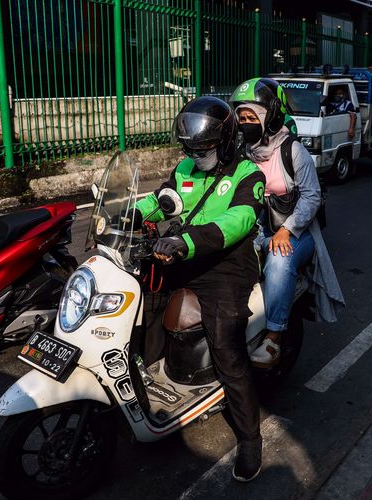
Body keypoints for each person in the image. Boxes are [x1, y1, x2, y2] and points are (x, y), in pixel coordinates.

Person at [135, 96, 266, 482]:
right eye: (190, 147)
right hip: (182, 256)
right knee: (141, 303)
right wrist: (131, 215)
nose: (196, 154)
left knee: (226, 346)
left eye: (203, 147)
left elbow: (238, 220)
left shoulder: (248, 175)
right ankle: (149, 376)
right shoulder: (186, 167)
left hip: (227, 268)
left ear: (225, 141)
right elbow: (161, 201)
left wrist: (185, 243)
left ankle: (250, 439)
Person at [229, 78, 345, 369]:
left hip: (297, 232)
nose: (245, 123)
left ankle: (273, 336)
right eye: (241, 117)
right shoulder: (242, 153)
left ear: (270, 117)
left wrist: (286, 229)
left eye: (251, 117)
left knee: (280, 260)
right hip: (254, 230)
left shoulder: (293, 151)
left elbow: (311, 197)